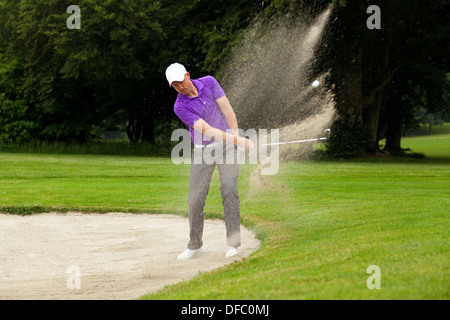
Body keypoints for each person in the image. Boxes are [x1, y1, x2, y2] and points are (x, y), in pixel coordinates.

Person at [165, 63, 253, 259]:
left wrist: (235, 137)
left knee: (229, 191)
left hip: (227, 147)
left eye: (181, 82)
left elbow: (227, 110)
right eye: (175, 86)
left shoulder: (209, 82)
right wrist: (238, 140)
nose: (180, 88)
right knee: (195, 199)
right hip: (203, 150)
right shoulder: (180, 106)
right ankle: (195, 245)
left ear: (188, 75)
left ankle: (233, 244)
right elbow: (208, 130)